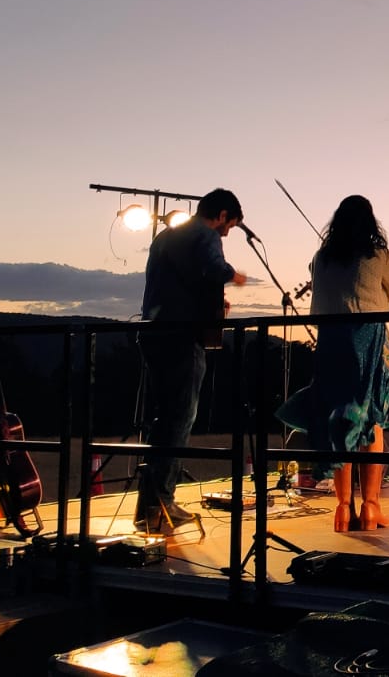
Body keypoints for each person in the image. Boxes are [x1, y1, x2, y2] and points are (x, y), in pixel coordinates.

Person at [276, 194, 389, 532]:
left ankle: (342, 509)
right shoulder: (376, 254)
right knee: (371, 418)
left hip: (331, 342)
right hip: (368, 339)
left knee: (340, 420)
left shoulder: (321, 257)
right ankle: (371, 507)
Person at [136, 188, 248, 533]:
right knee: (181, 415)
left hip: (154, 331)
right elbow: (213, 269)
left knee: (165, 417)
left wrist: (212, 304)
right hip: (182, 337)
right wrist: (235, 276)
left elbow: (184, 281)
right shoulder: (204, 233)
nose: (227, 232)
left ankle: (151, 506)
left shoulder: (167, 236)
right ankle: (161, 504)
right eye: (229, 225)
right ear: (223, 214)